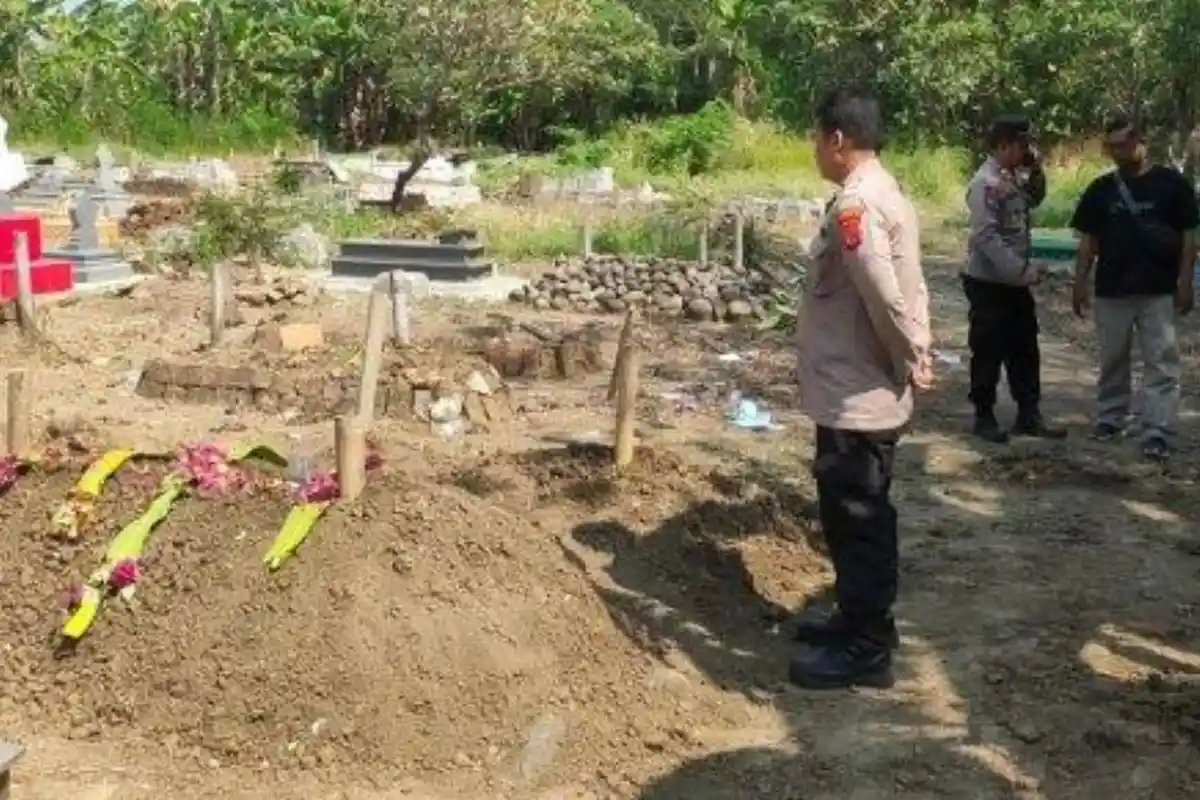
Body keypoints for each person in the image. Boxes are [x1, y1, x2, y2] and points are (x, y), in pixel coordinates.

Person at [790, 88, 932, 690]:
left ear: (837, 140)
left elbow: (881, 291)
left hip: (858, 392)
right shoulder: (878, 191)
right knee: (848, 509)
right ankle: (855, 618)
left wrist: (910, 356)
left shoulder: (858, 204)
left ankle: (868, 648)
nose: (816, 150)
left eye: (818, 138)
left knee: (859, 514)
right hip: (851, 388)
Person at [1070, 115, 1198, 460]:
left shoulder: (1172, 185)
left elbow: (1189, 236)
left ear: (1141, 141)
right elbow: (1088, 240)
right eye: (1111, 147)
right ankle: (1111, 418)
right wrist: (1080, 280)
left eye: (1123, 145)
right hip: (1112, 289)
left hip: (1158, 290)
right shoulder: (1101, 189)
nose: (1117, 153)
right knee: (1112, 358)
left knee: (1161, 361)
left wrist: (1186, 280)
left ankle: (1158, 428)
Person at [962, 114, 1066, 443]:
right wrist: (1020, 272)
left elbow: (1034, 199)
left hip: (1014, 284)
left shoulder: (1012, 177)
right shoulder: (985, 184)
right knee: (988, 348)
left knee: (1025, 347)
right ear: (1004, 145)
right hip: (990, 282)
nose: (1027, 150)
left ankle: (1029, 414)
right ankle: (984, 414)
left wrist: (1035, 169)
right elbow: (986, 237)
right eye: (1021, 144)